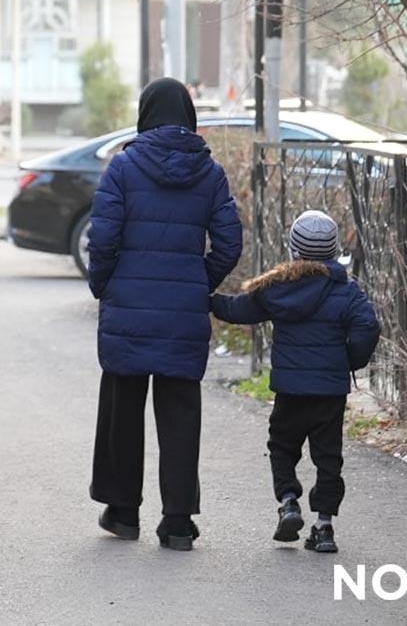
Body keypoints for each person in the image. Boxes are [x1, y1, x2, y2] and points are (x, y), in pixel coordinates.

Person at [88, 77, 243, 551]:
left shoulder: (123, 168)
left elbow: (103, 237)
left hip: (128, 314)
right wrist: (199, 283)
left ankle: (122, 512)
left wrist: (104, 285)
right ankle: (177, 522)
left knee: (122, 411)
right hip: (182, 317)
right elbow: (230, 243)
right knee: (180, 417)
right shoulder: (210, 172)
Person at [210, 210, 381, 554]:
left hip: (289, 388)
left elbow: (235, 310)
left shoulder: (276, 290)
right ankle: (324, 526)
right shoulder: (346, 292)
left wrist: (201, 297)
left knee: (282, 446)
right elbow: (368, 327)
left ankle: (288, 500)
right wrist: (350, 361)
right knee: (328, 455)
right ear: (334, 250)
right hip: (329, 393)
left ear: (293, 249)